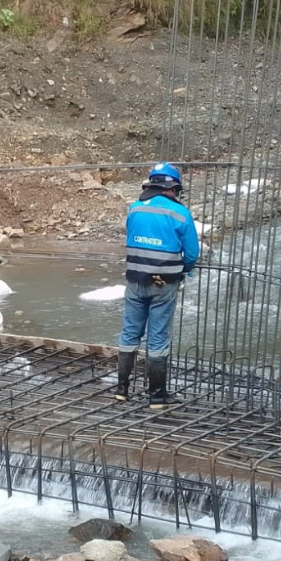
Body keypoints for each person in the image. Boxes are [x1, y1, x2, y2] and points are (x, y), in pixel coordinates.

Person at [115, 162, 200, 408]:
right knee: (158, 338)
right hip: (164, 284)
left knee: (130, 332)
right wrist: (185, 268)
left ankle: (122, 390)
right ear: (173, 188)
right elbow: (192, 253)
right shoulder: (180, 213)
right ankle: (157, 396)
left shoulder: (134, 209)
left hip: (135, 280)